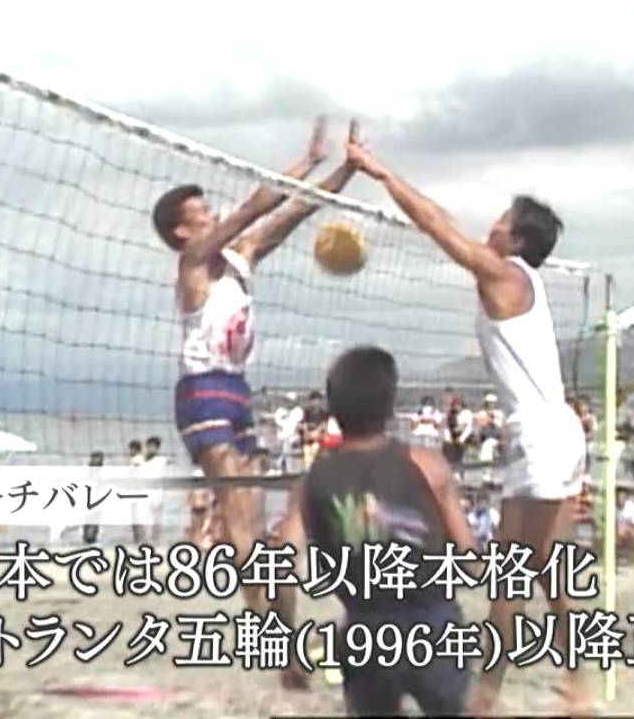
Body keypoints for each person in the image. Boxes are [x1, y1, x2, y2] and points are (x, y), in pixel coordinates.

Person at [346, 140, 591, 714]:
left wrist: (383, 175)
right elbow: (445, 222)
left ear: (518, 240)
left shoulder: (504, 275)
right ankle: (577, 684)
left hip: (541, 435)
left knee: (512, 574)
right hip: (557, 430)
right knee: (546, 569)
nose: (492, 225)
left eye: (502, 220)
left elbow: (437, 226)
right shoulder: (520, 279)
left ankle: (484, 695)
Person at [152, 118, 360, 614]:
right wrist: (308, 161)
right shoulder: (194, 261)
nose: (211, 214)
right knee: (237, 509)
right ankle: (262, 619)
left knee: (253, 512)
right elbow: (254, 206)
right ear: (182, 231)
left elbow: (298, 210)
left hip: (236, 388)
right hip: (202, 390)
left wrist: (346, 170)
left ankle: (271, 616)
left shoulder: (240, 256)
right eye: (201, 212)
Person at [278, 346, 477, 716]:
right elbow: (470, 561)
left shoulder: (312, 483)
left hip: (364, 626)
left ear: (333, 409)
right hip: (431, 620)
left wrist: (289, 647)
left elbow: (279, 569)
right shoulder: (427, 466)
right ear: (390, 407)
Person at [615, 490, 634, 566]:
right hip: (617, 530)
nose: (620, 499)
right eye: (618, 497)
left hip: (631, 530)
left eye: (622, 497)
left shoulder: (631, 507)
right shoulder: (612, 506)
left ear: (625, 498)